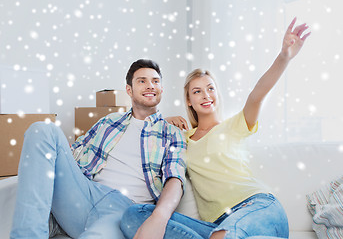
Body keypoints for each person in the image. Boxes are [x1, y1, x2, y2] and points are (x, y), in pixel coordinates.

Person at [121, 17, 311, 239]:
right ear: (189, 100)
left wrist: (283, 57)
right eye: (197, 91)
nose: (206, 95)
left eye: (210, 88)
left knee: (223, 235)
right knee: (135, 215)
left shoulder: (234, 126)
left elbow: (257, 95)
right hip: (217, 224)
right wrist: (162, 119)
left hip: (257, 207)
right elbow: (144, 133)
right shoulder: (182, 138)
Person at [10, 59, 204, 239]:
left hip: (124, 210)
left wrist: (159, 215)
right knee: (42, 130)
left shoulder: (171, 133)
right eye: (142, 81)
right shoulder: (109, 121)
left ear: (161, 88)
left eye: (155, 81)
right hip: (84, 192)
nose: (150, 85)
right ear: (129, 89)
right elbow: (74, 151)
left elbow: (175, 178)